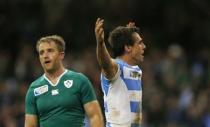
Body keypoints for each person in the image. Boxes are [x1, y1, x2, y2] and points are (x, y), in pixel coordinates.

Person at [25, 35, 104, 127]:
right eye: (41, 53)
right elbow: (30, 125)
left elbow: (95, 116)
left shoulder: (79, 80)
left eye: (50, 51)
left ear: (61, 55)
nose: (45, 56)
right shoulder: (34, 88)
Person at [95, 18, 146, 127]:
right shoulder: (117, 67)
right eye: (140, 43)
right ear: (128, 47)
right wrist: (100, 44)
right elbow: (106, 63)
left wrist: (126, 33)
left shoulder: (135, 70)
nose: (144, 47)